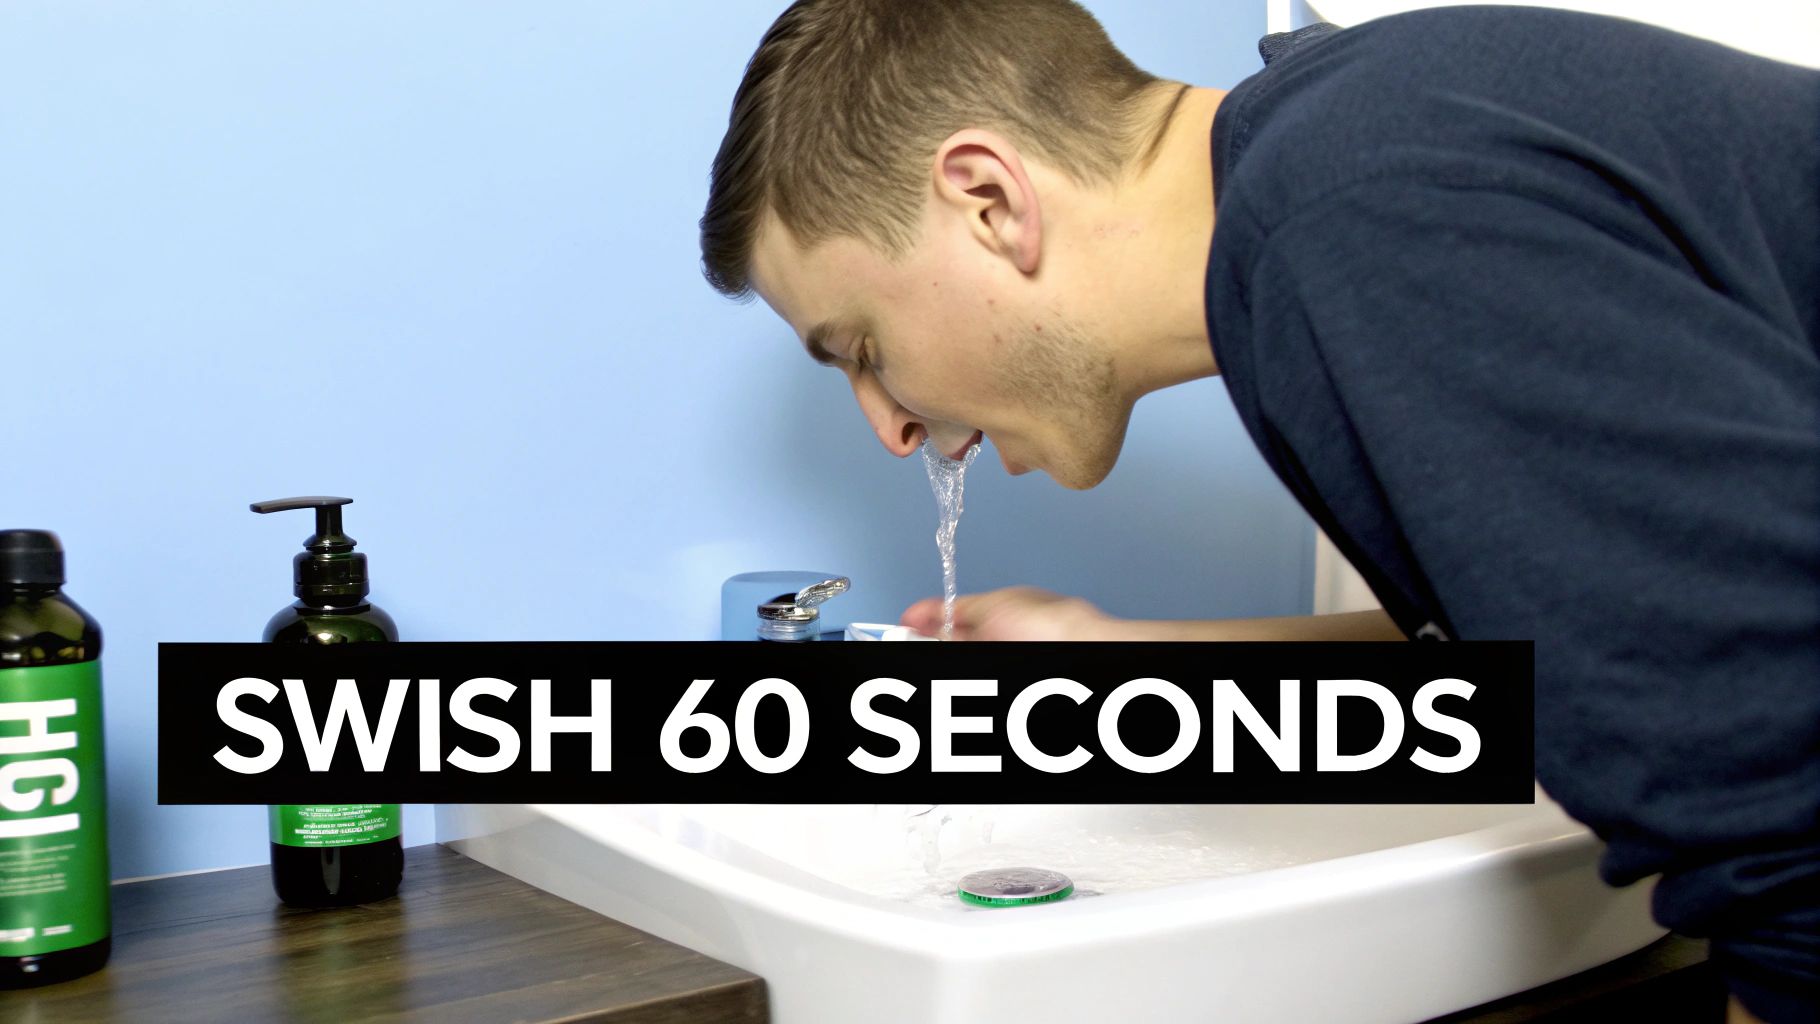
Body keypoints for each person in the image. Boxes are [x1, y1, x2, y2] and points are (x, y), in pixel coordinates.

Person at [699, 1, 1819, 1019]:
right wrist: (1139, 659)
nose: (887, 423)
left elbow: (1791, 844)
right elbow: (1575, 620)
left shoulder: (1362, 218)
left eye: (860, 348)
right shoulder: (1351, 153)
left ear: (989, 201)